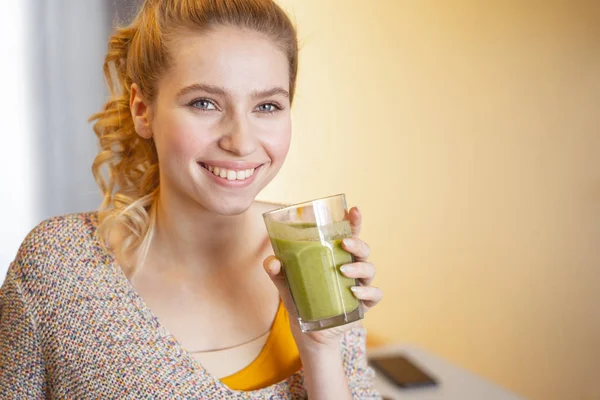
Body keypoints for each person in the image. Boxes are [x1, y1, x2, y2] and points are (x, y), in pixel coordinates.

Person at [0, 0, 383, 398]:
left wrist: (321, 347)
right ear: (142, 110)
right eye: (204, 103)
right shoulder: (58, 267)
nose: (241, 141)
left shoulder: (315, 250)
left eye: (267, 106)